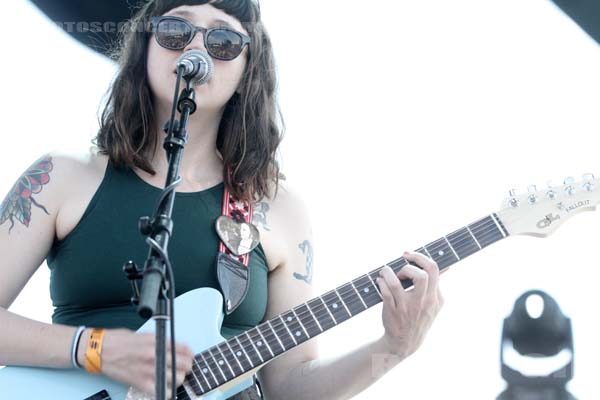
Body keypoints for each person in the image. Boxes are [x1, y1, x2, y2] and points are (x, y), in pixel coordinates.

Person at [0, 1, 444, 399]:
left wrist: (392, 349)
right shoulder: (60, 177)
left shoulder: (279, 209)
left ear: (248, 68)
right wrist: (95, 349)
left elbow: (290, 387)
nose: (196, 46)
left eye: (224, 40)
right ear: (145, 46)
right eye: (176, 30)